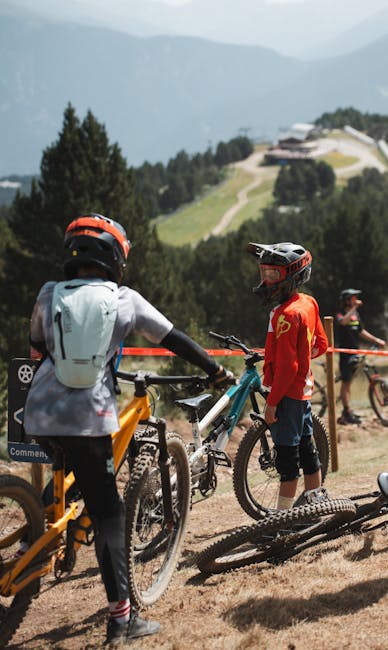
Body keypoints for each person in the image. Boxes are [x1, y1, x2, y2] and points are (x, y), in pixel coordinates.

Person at [24, 213, 233, 645]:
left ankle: (36, 536)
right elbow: (172, 337)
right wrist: (214, 370)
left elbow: (38, 348)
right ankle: (122, 620)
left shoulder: (48, 293)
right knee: (109, 514)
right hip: (88, 418)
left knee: (73, 473)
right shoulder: (124, 300)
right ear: (116, 258)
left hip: (39, 414)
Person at [247, 241, 329, 510]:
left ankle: (283, 518)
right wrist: (302, 357)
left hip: (285, 395)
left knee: (287, 460)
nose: (267, 280)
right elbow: (321, 344)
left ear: (293, 276)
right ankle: (315, 505)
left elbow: (288, 367)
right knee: (308, 451)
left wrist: (272, 403)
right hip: (303, 392)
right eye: (264, 273)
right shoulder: (308, 303)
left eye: (274, 274)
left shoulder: (285, 315)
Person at [334, 288, 386, 424]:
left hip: (355, 351)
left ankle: (348, 410)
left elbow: (361, 331)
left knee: (349, 383)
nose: (356, 300)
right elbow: (343, 322)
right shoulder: (340, 313)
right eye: (353, 298)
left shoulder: (355, 314)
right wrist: (354, 308)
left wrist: (376, 340)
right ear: (347, 301)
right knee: (346, 383)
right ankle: (346, 412)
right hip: (345, 354)